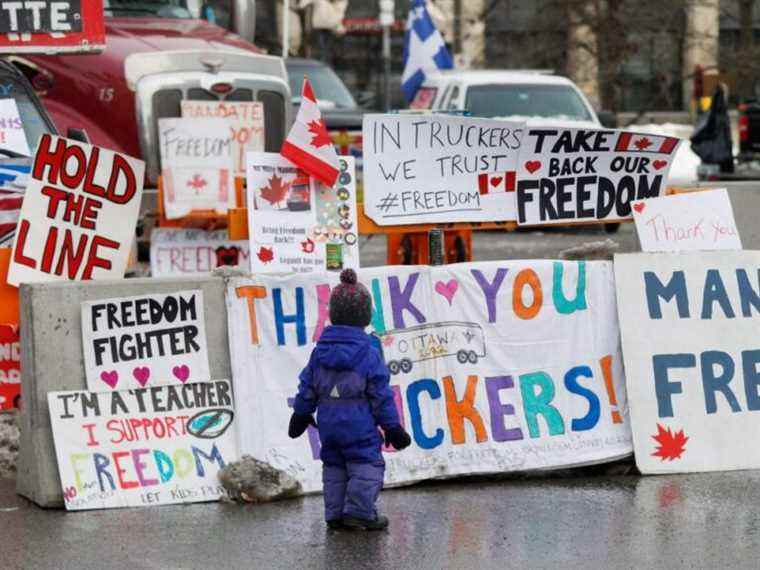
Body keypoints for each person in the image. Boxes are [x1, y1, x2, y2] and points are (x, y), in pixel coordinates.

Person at [288, 268, 411, 530]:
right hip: (359, 424)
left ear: (333, 313)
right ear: (365, 316)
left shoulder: (319, 350)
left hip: (329, 424)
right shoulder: (369, 352)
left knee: (334, 463)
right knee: (365, 462)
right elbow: (380, 394)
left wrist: (300, 413)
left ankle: (334, 514)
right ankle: (359, 512)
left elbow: (307, 384)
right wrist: (391, 427)